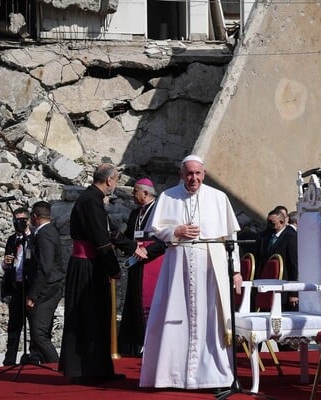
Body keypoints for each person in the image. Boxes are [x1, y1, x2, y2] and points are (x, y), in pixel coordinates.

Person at [139, 155, 243, 391]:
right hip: (178, 265)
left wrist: (235, 270)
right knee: (174, 317)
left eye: (197, 173)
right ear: (181, 174)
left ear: (204, 174)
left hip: (210, 264)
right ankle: (171, 376)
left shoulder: (218, 197)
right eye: (189, 173)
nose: (193, 178)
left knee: (211, 320)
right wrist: (176, 230)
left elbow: (230, 238)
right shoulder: (168, 196)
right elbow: (155, 230)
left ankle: (214, 377)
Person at [59, 163, 146, 384]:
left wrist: (132, 246)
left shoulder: (92, 199)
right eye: (116, 181)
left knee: (94, 317)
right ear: (109, 180)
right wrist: (114, 268)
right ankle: (89, 371)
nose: (115, 185)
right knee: (91, 317)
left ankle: (93, 369)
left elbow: (112, 230)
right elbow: (101, 240)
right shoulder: (92, 201)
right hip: (87, 265)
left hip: (88, 264)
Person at [117, 177, 166, 356]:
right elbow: (131, 237)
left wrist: (146, 252)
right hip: (136, 263)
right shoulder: (134, 213)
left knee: (149, 304)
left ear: (145, 193)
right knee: (133, 302)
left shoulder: (161, 211)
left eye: (135, 190)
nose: (132, 194)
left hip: (153, 263)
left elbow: (164, 239)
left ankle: (151, 345)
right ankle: (132, 347)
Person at [25, 201, 65, 364]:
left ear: (34, 217)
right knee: (42, 331)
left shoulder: (44, 234)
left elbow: (44, 267)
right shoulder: (50, 230)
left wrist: (33, 295)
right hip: (50, 288)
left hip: (47, 289)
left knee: (39, 333)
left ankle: (56, 367)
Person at [1, 207, 31, 366]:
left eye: (20, 220)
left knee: (34, 324)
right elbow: (6, 264)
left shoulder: (34, 238)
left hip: (30, 287)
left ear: (28, 220)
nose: (17, 224)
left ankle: (35, 357)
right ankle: (10, 358)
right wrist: (5, 263)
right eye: (14, 221)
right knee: (13, 325)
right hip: (15, 287)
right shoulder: (12, 239)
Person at [254, 209, 298, 309]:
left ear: (281, 222)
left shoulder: (291, 237)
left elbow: (294, 265)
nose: (268, 225)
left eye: (271, 222)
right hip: (267, 286)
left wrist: (294, 292)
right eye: (268, 222)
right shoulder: (266, 237)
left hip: (283, 287)